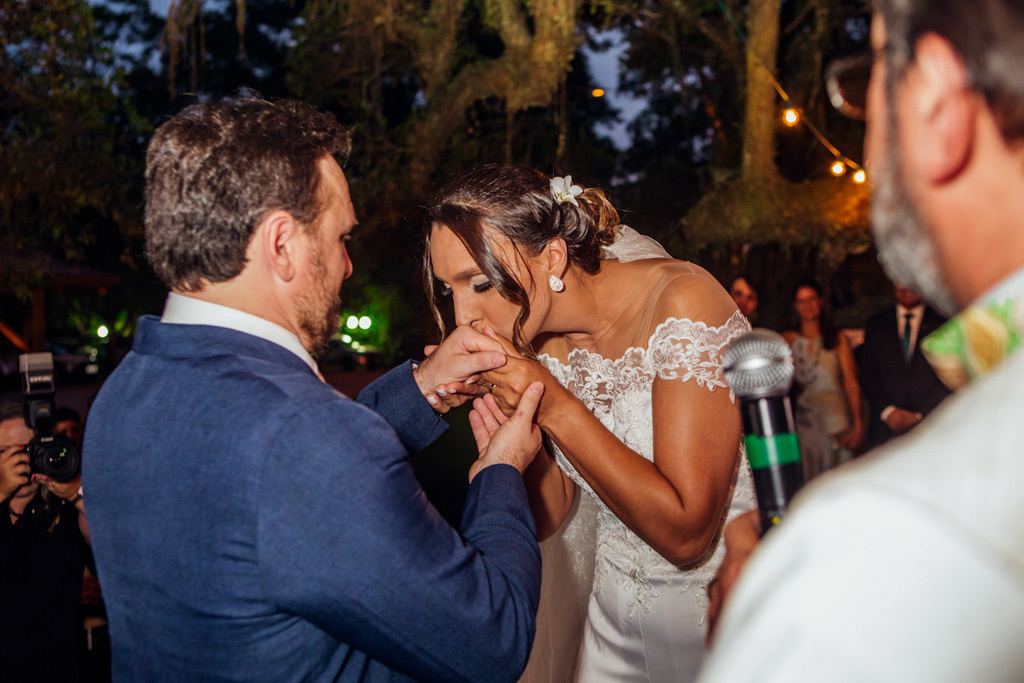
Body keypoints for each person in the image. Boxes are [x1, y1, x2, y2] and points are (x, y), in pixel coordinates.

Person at [83, 97, 547, 682]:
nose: (348, 265)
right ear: (282, 245)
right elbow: (492, 643)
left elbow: (277, 481)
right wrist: (500, 473)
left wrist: (423, 385)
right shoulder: (303, 441)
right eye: (339, 237)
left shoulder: (126, 392)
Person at [700, 1, 1024, 680]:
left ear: (937, 102)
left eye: (866, 79)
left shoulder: (871, 555)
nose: (863, 126)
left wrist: (762, 620)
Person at [424, 165, 755, 682]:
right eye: (450, 291)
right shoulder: (539, 347)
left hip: (716, 622)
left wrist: (555, 406)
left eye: (481, 282)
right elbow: (555, 514)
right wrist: (514, 453)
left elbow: (688, 534)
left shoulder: (684, 304)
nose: (464, 314)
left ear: (553, 256)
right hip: (612, 629)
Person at [0, 400, 90, 682]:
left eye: (27, 450)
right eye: (5, 452)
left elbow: (119, 539)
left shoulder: (68, 510)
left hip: (58, 669)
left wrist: (75, 490)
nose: (20, 461)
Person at [783, 279, 863, 480]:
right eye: (802, 301)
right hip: (806, 423)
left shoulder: (837, 339)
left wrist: (858, 424)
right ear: (795, 306)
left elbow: (851, 383)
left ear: (820, 302)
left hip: (837, 422)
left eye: (811, 299)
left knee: (839, 481)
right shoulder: (788, 340)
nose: (807, 306)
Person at [857, 283, 951, 449]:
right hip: (885, 434)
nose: (906, 286)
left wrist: (920, 415)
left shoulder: (942, 322)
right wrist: (888, 411)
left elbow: (949, 374)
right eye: (899, 280)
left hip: (932, 429)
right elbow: (868, 374)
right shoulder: (876, 324)